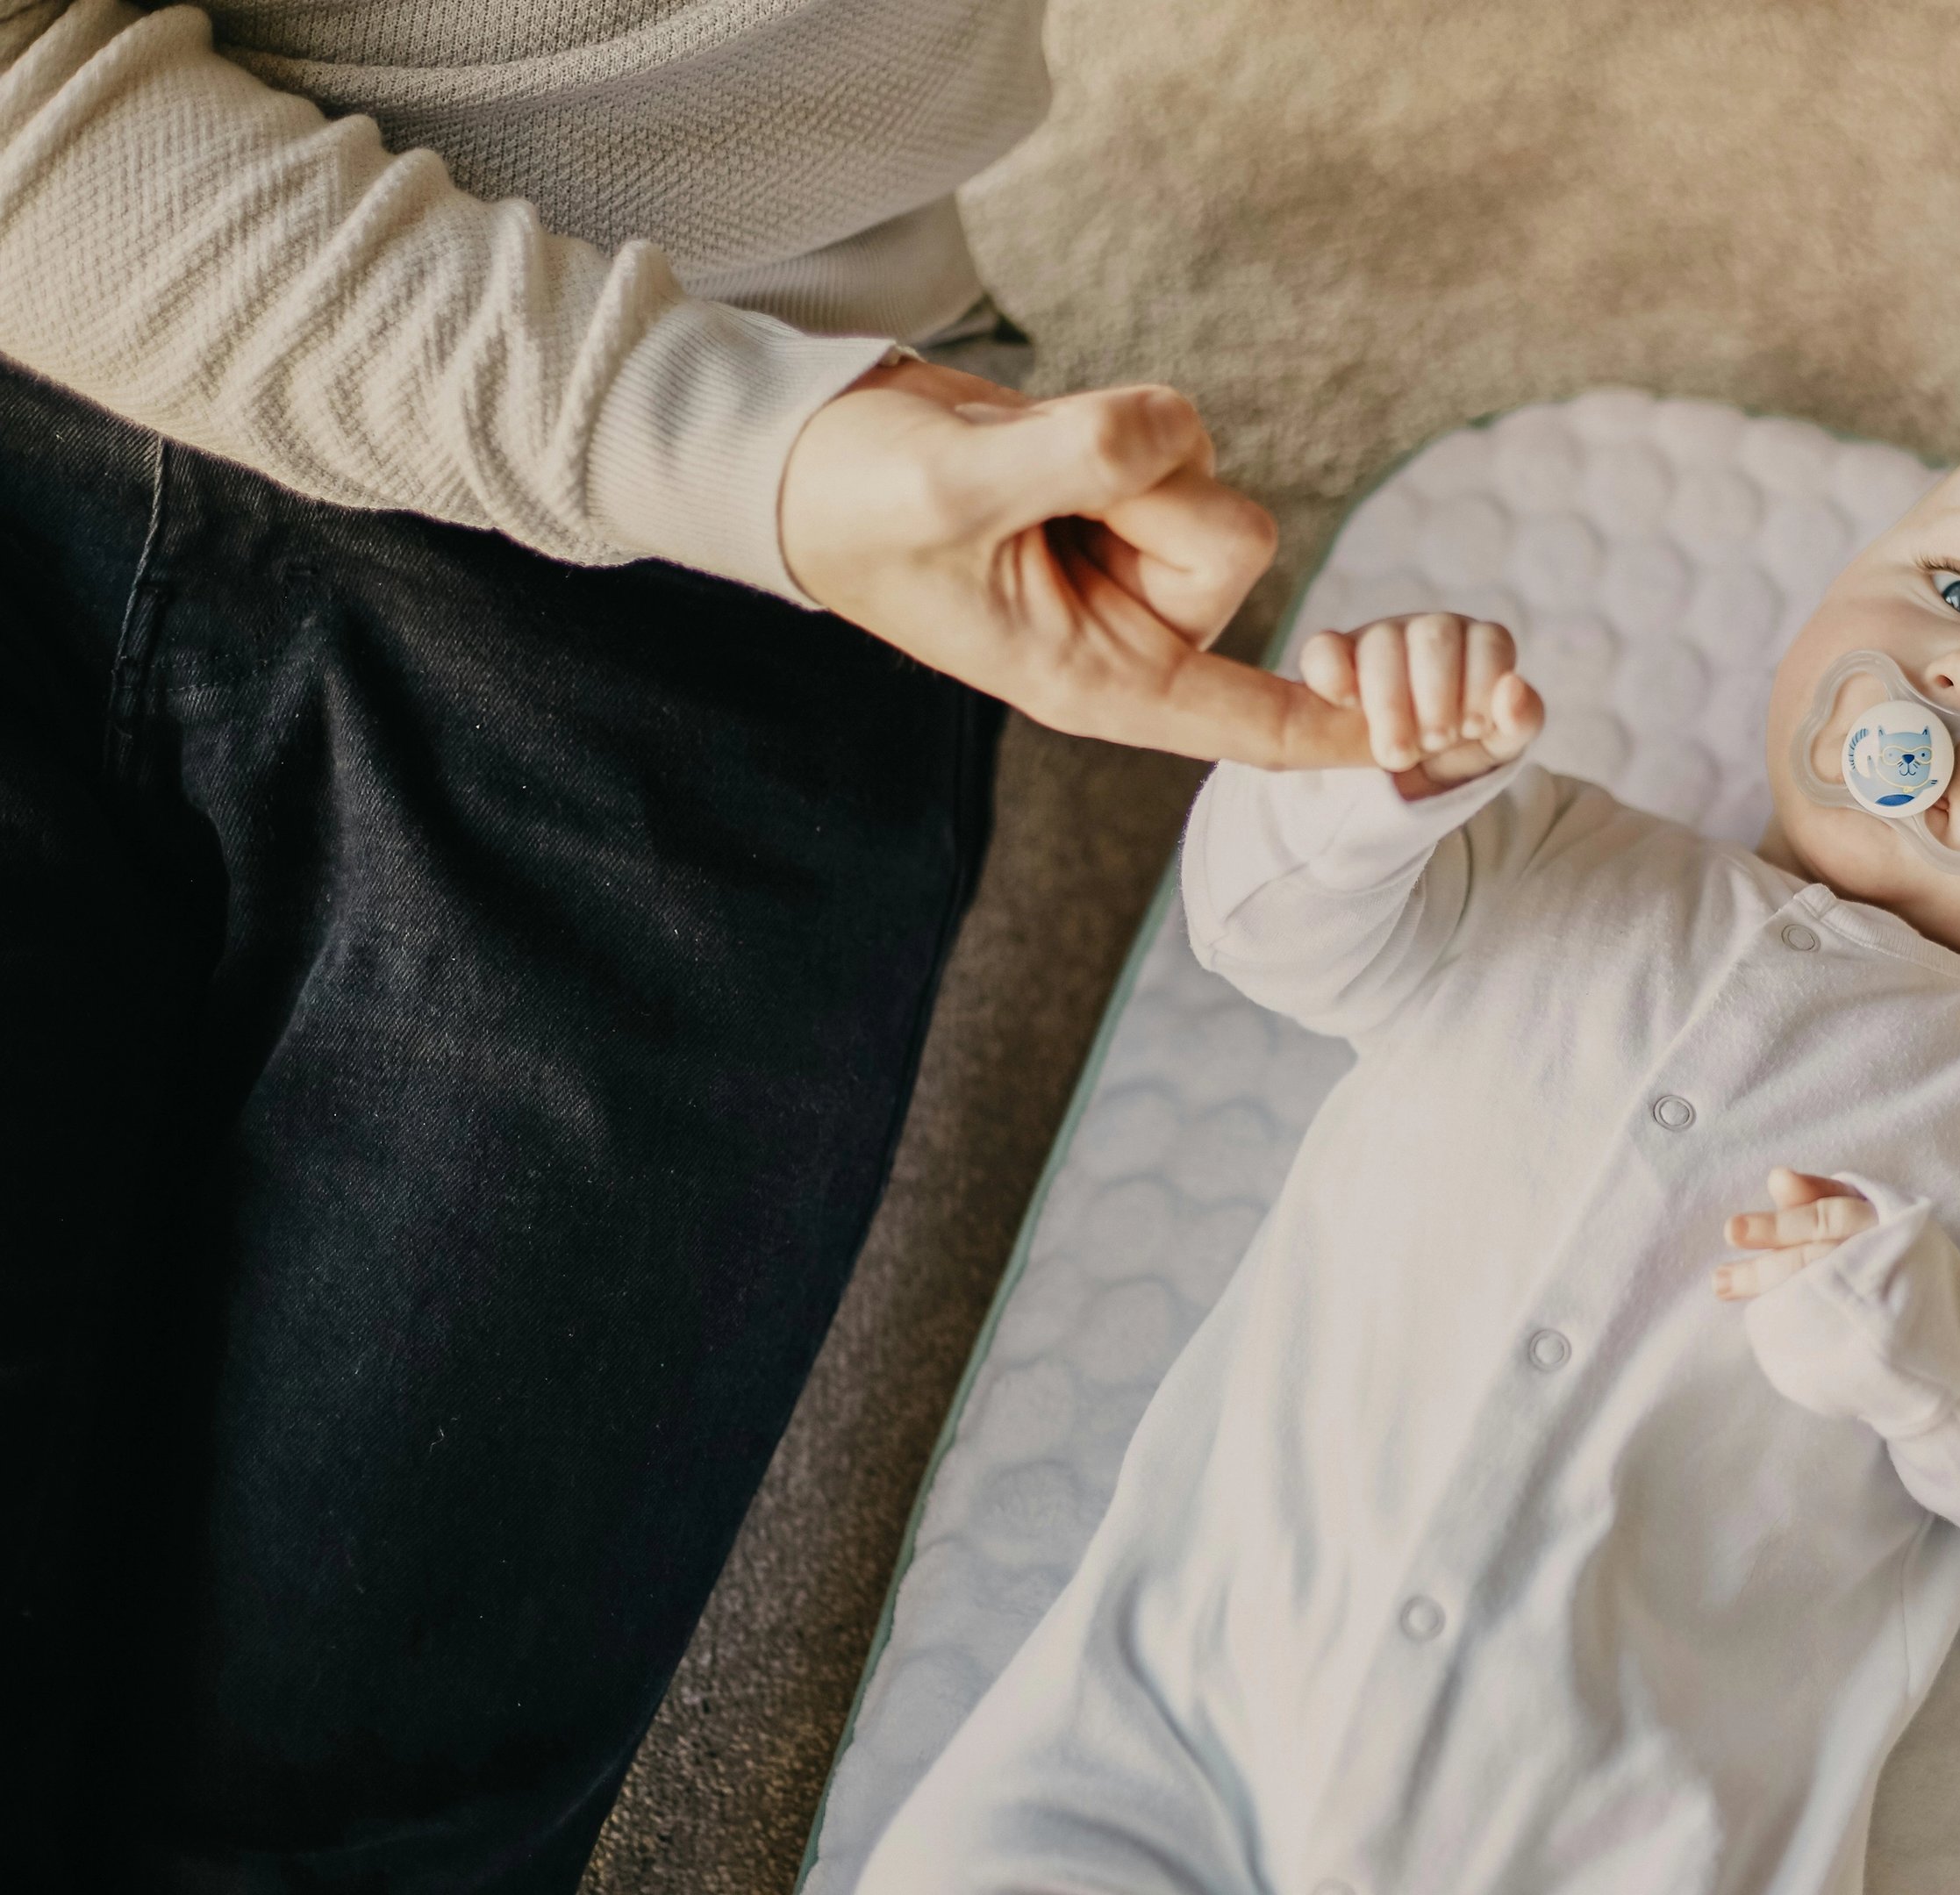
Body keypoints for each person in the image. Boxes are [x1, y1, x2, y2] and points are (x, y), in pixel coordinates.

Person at [0, 1, 1368, 1886]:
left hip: (742, 472)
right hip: (96, 350)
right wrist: (741, 450)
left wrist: (778, 464)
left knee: (351, 1817)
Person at [855, 418, 1960, 1893]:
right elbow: (1263, 932)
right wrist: (1364, 778)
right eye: (1959, 595)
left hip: (1613, 1820)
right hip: (1180, 1710)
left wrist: (1936, 1338)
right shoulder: (1557, 853)